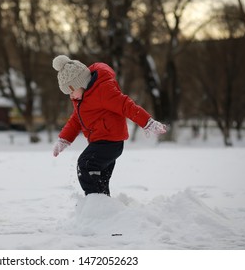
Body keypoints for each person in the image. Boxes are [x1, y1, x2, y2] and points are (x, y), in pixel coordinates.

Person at [52, 55, 167, 196]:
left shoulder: (103, 90)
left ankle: (94, 203)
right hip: (101, 143)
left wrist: (147, 122)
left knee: (86, 164)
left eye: (71, 91)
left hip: (110, 142)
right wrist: (64, 139)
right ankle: (104, 207)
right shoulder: (81, 99)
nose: (71, 96)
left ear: (80, 82)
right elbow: (76, 120)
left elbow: (126, 106)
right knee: (100, 180)